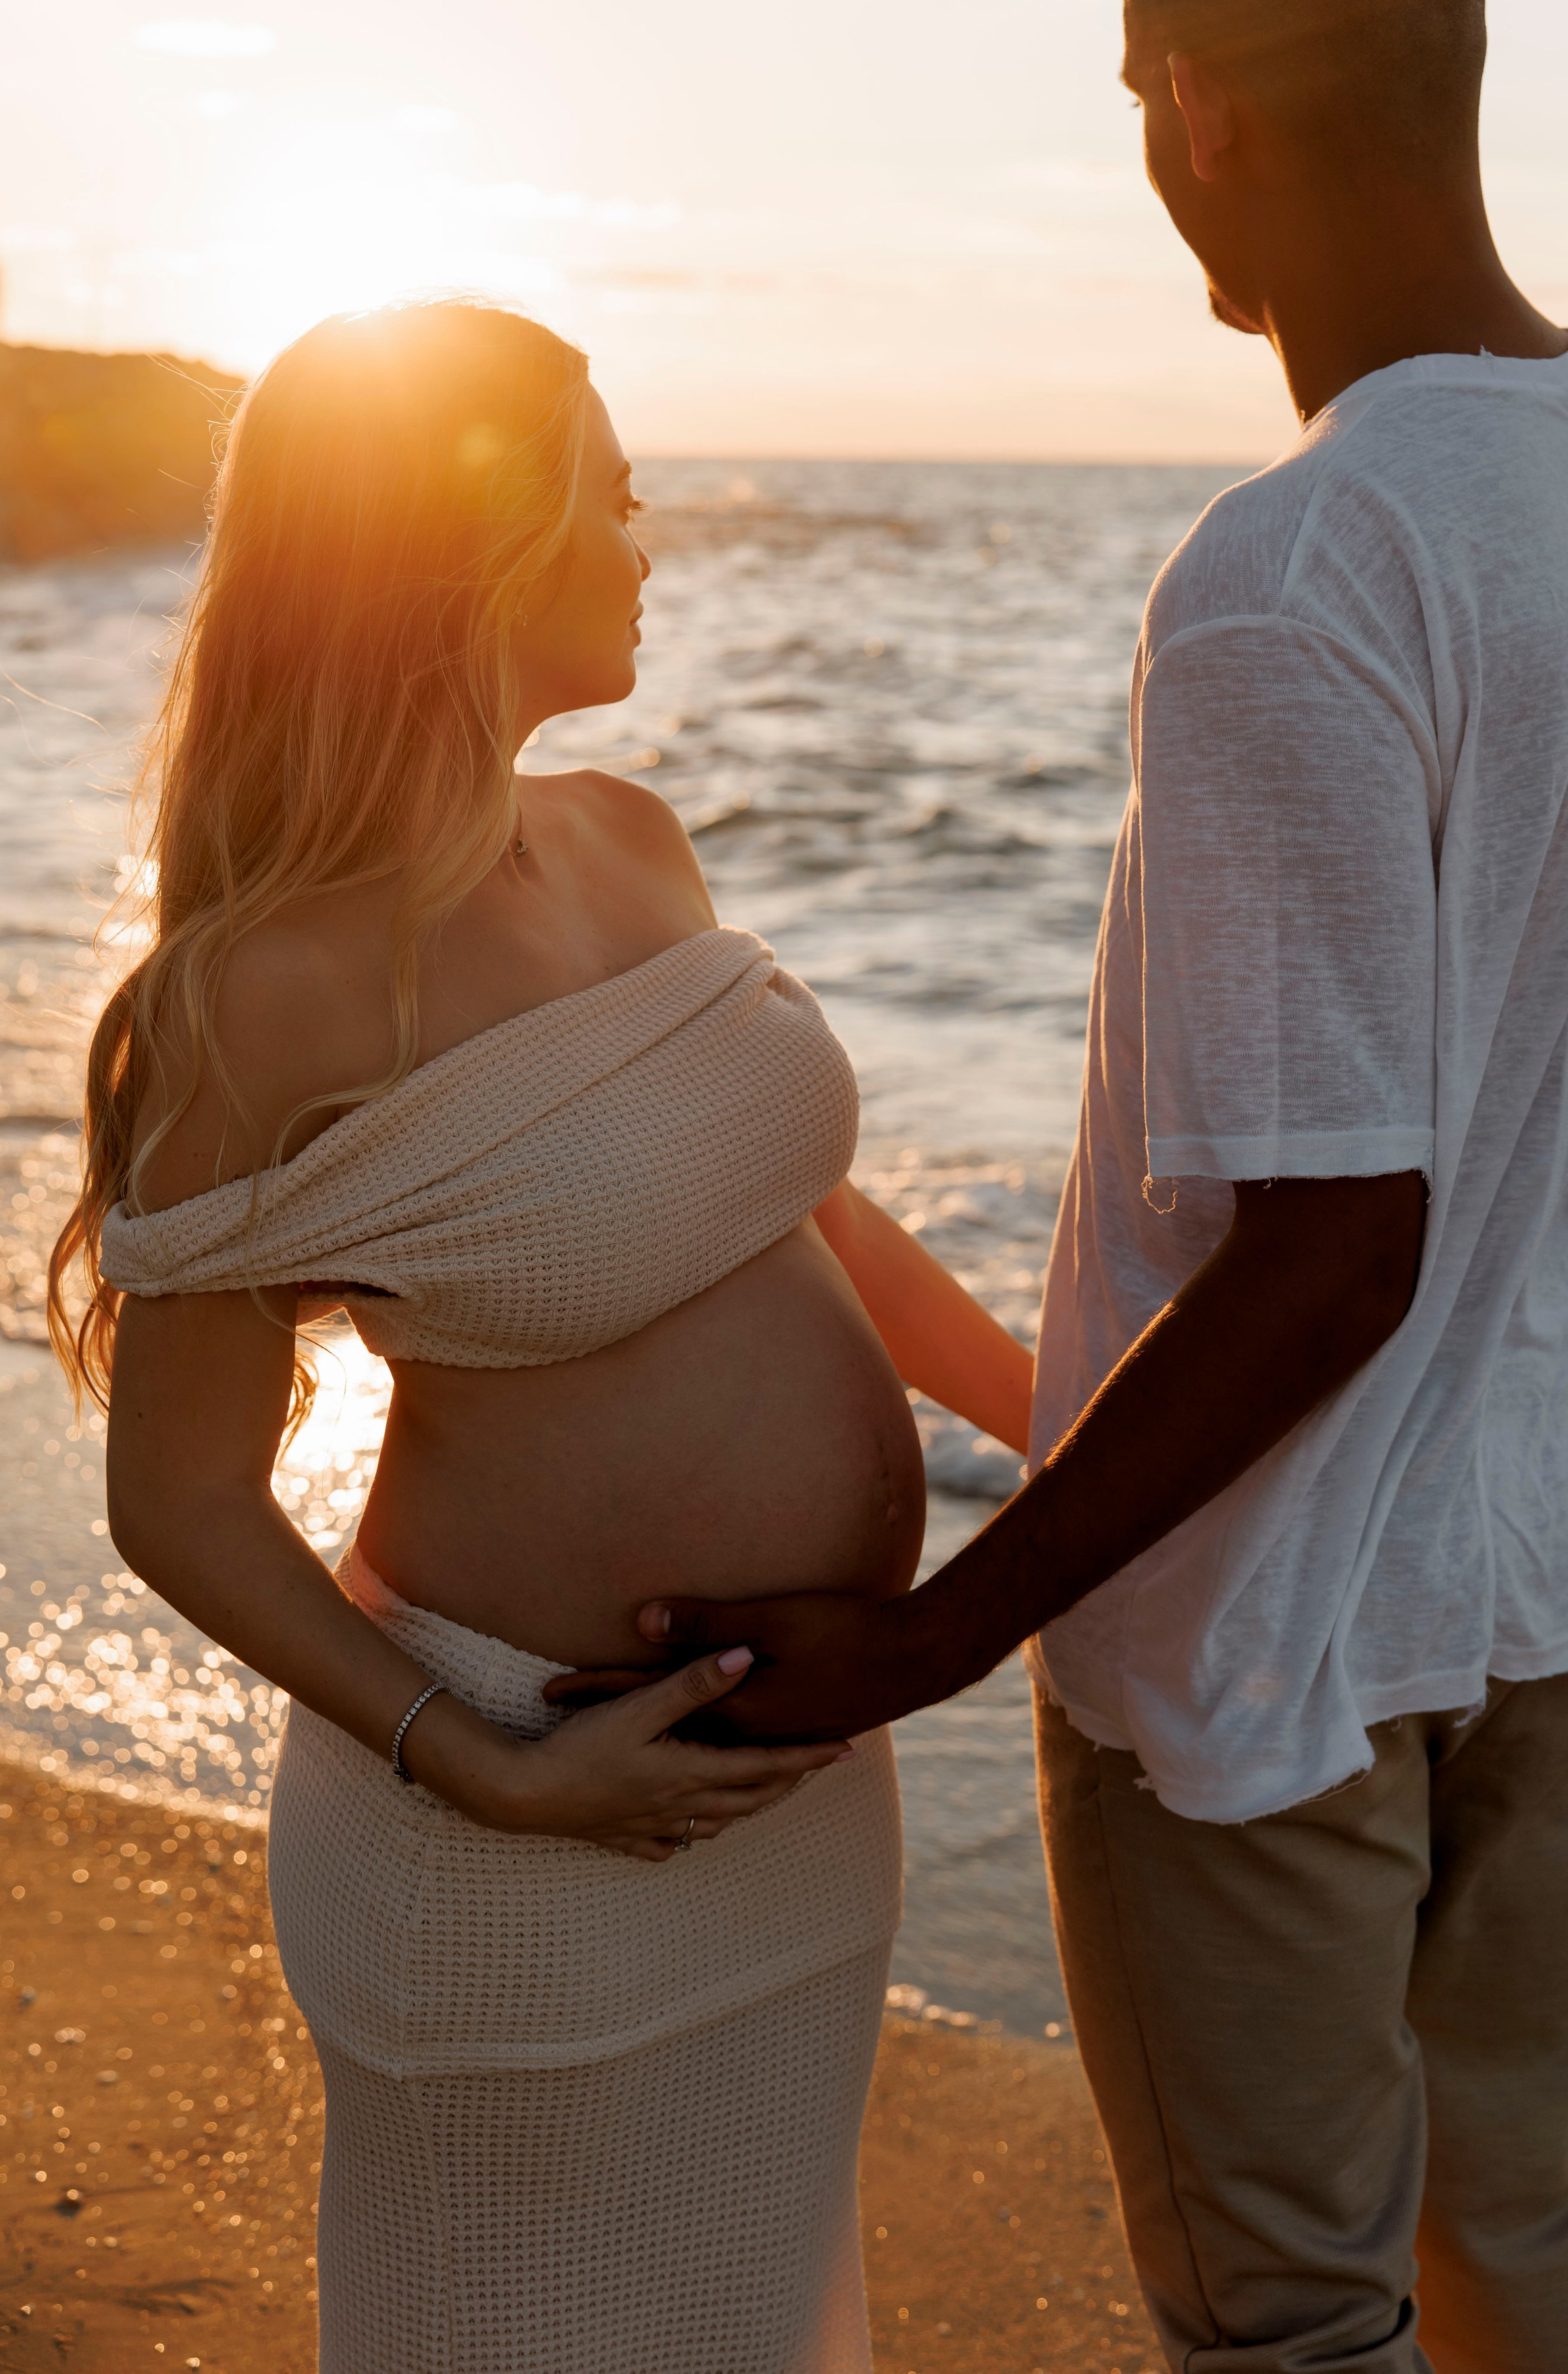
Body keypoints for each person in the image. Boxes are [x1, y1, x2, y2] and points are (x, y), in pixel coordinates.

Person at [636, 0, 1568, 2369]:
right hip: (1559, 1562)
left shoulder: (1306, 561)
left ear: (1198, 102)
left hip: (1269, 1644)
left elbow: (1341, 1242)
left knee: (1288, 2322)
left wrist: (945, 1629)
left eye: (1147, 112)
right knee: (1533, 2244)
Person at [47, 298, 1033, 2374]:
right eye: (617, 501)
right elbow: (189, 1504)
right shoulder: (261, 997)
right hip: (510, 1791)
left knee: (761, 2318)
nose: (650, 546)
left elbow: (806, 1213)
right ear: (474, 554)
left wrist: (1069, 1425)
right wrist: (485, 1771)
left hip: (780, 1794)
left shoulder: (634, 842)